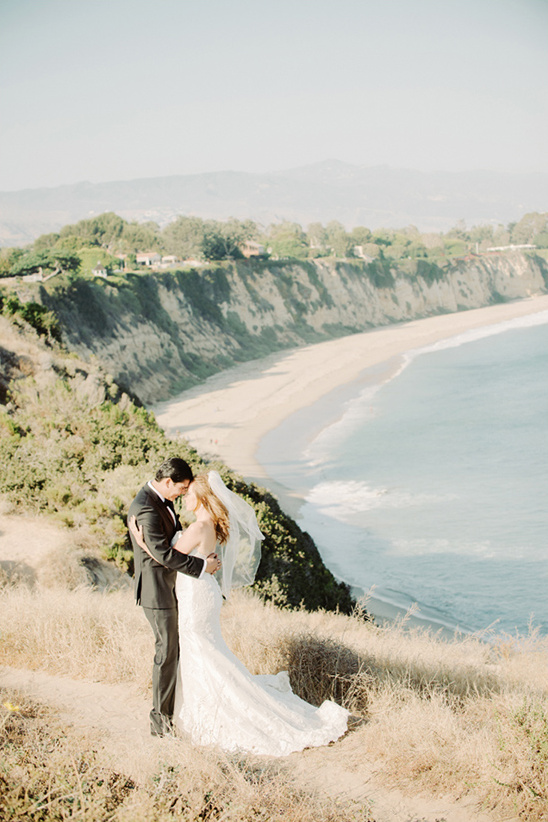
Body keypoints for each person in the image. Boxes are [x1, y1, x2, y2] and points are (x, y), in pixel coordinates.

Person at [129, 470, 349, 756]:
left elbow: (168, 560)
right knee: (205, 649)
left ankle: (211, 711)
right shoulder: (208, 524)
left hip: (195, 593)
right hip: (202, 589)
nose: (184, 497)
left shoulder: (197, 528)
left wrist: (141, 541)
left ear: (201, 498)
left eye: (189, 493)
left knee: (199, 649)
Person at [127, 457, 221, 737]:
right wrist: (203, 565)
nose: (182, 495)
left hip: (175, 588)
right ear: (168, 482)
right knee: (166, 653)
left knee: (178, 650)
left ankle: (177, 711)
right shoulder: (145, 506)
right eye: (181, 489)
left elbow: (165, 548)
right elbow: (164, 555)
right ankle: (160, 723)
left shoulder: (162, 501)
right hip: (156, 591)